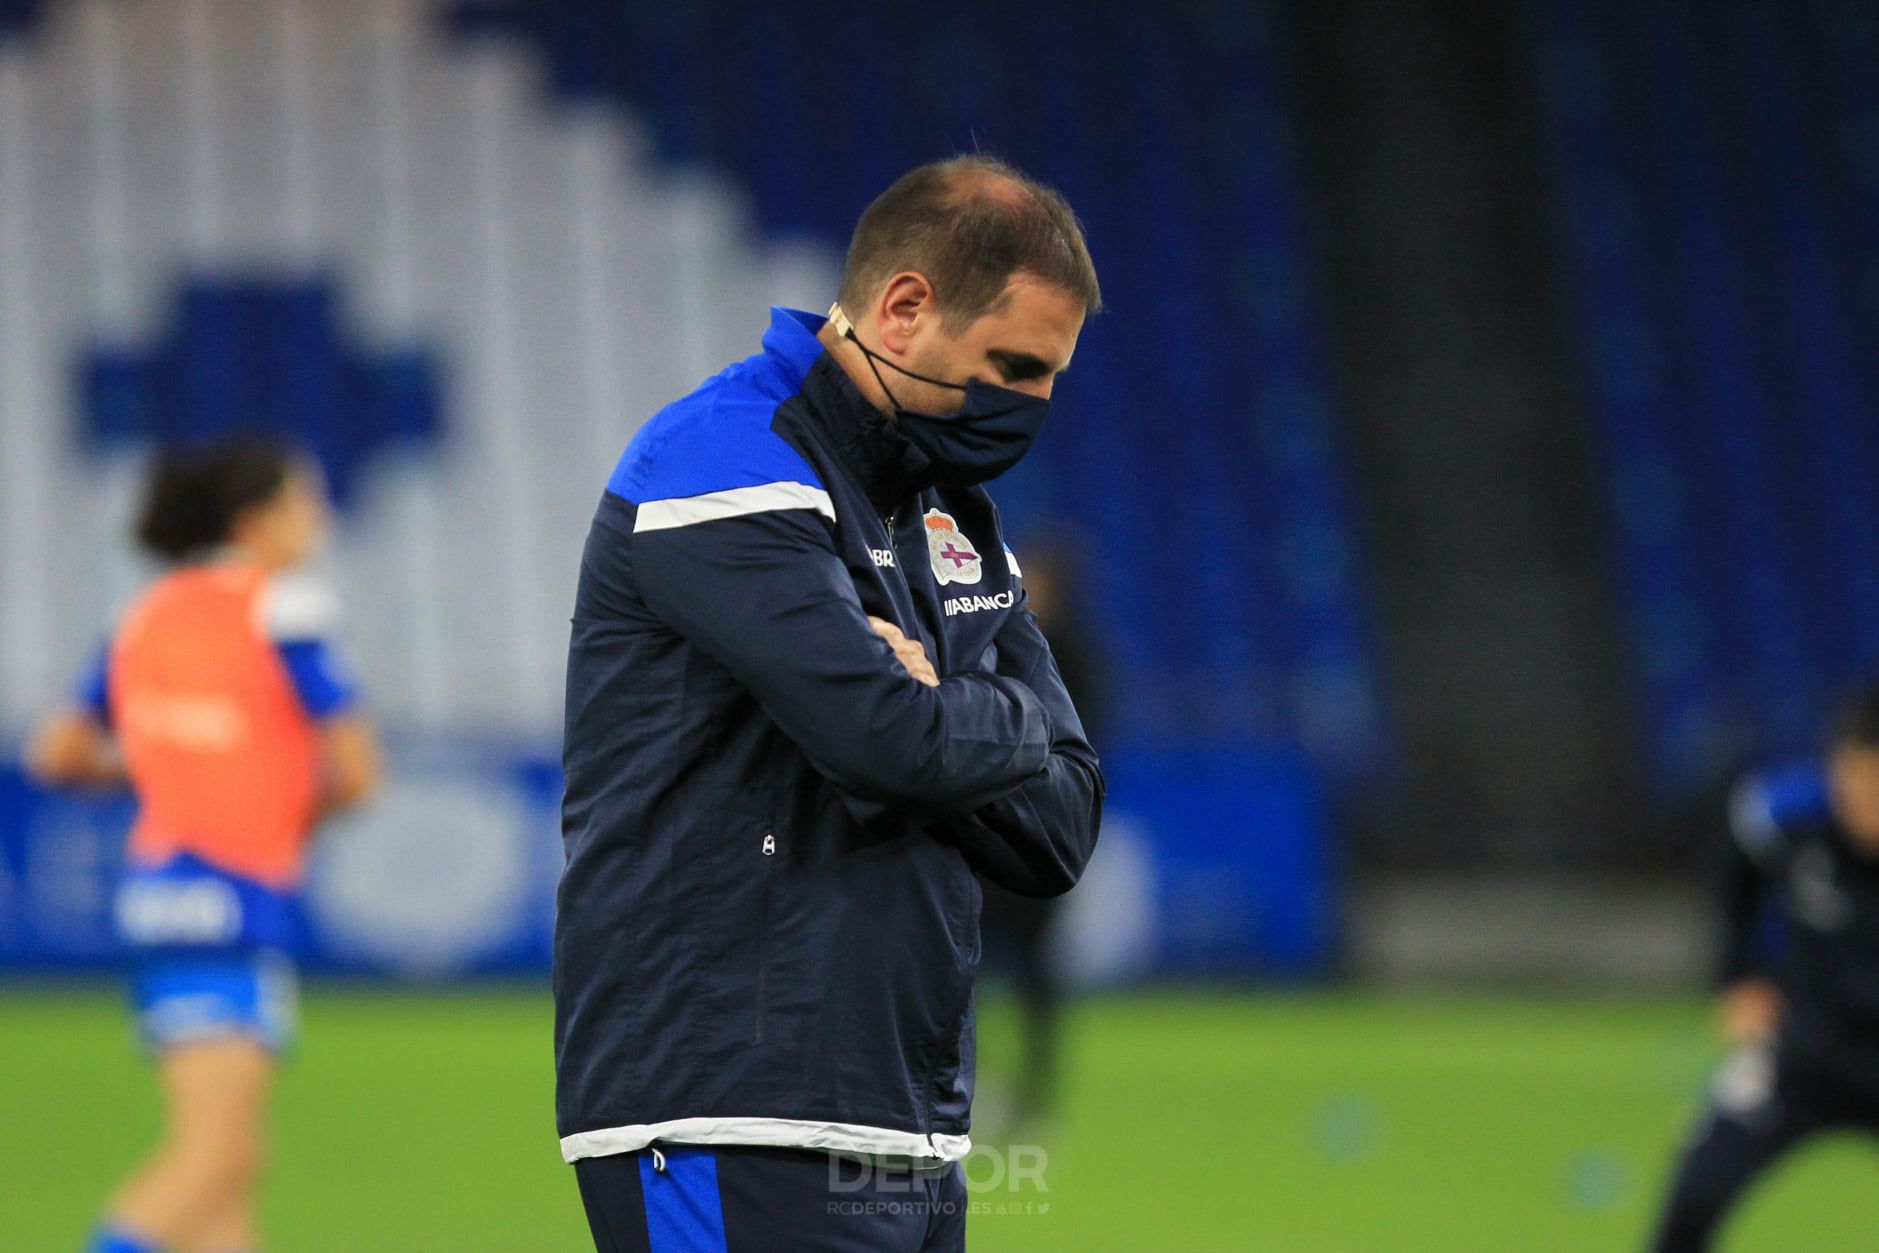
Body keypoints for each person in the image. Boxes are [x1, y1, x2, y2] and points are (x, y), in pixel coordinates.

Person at [556, 154, 1104, 1252]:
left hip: (908, 1121)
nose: (1033, 405)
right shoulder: (721, 461)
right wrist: (994, 719)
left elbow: (1062, 823)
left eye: (1051, 376)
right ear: (902, 308)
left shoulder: (952, 512)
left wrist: (941, 701)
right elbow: (882, 742)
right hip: (727, 1106)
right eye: (1012, 366)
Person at [24, 437, 381, 1253]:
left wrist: (170, 768)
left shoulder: (145, 612)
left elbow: (58, 753)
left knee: (230, 1168)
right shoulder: (286, 607)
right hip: (233, 890)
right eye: (303, 499)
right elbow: (357, 773)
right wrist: (273, 796)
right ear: (255, 521)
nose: (318, 516)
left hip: (158, 888)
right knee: (215, 1156)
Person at [1648, 684, 1879, 1251]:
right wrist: (1737, 978)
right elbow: (1736, 864)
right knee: (1693, 1201)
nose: (1870, 806)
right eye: (1860, 784)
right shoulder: (1785, 816)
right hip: (1799, 1053)